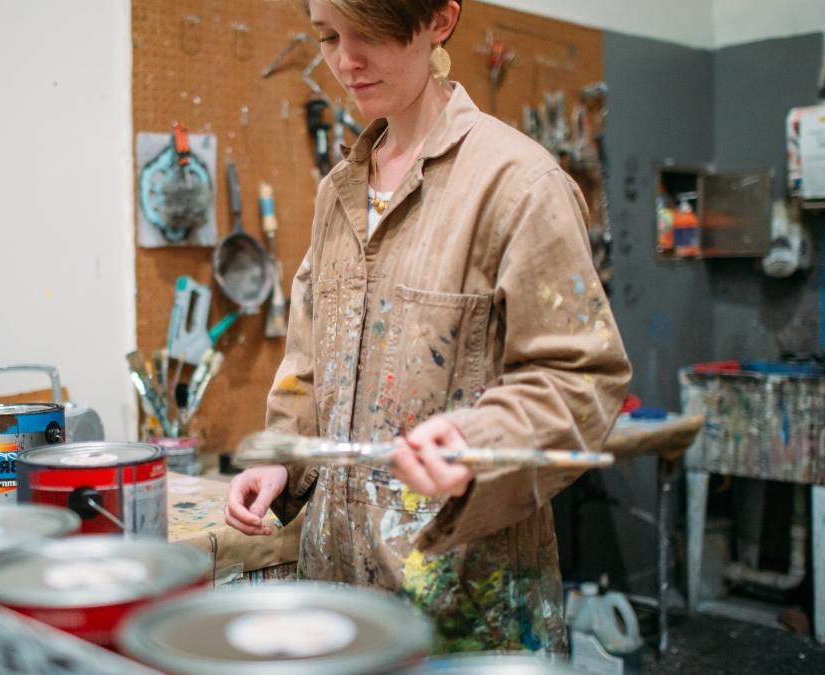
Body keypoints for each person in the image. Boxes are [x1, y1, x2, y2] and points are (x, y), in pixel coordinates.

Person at [224, 0, 630, 655]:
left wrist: (478, 438)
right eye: (328, 36)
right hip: (338, 598)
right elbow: (308, 363)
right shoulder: (339, 194)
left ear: (440, 20)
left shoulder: (519, 184)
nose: (344, 61)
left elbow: (582, 378)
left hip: (466, 601)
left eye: (369, 34)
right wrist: (281, 456)